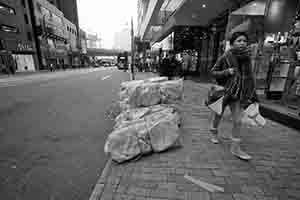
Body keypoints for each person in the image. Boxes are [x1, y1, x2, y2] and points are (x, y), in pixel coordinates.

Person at [209, 31, 258, 160]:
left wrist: (252, 93)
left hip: (238, 94)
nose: (242, 43)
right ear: (232, 43)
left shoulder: (247, 58)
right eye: (239, 41)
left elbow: (249, 77)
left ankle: (235, 148)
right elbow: (213, 72)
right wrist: (227, 71)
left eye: (244, 41)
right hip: (224, 92)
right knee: (218, 114)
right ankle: (213, 132)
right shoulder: (225, 57)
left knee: (238, 120)